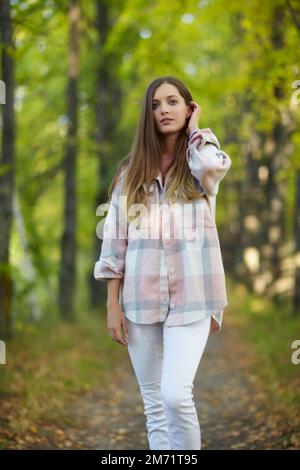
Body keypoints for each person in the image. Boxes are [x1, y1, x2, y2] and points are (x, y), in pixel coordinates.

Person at [94, 76, 232, 450]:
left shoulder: (200, 163)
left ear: (188, 109)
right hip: (139, 301)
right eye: (156, 105)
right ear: (148, 114)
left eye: (173, 102)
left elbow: (214, 165)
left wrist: (197, 130)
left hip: (194, 297)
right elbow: (114, 241)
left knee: (175, 395)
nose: (164, 110)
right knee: (154, 406)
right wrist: (112, 304)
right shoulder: (130, 173)